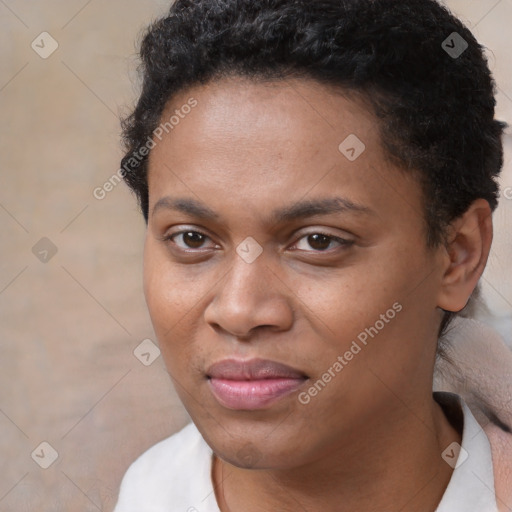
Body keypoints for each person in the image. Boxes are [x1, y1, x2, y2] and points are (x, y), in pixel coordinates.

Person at [113, 0, 512, 510]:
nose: (238, 311)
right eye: (192, 239)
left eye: (318, 241)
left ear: (458, 255)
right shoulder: (151, 493)